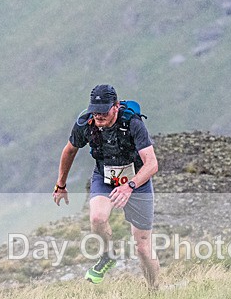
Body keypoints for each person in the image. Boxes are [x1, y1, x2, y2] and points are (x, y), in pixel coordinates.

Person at [53, 84, 160, 288]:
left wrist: (129, 186)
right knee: (97, 217)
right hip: (105, 177)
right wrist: (61, 185)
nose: (99, 116)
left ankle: (154, 291)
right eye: (95, 111)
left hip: (137, 180)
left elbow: (152, 163)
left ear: (116, 107)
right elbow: (69, 151)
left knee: (143, 248)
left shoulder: (133, 123)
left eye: (103, 112)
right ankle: (107, 257)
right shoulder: (86, 123)